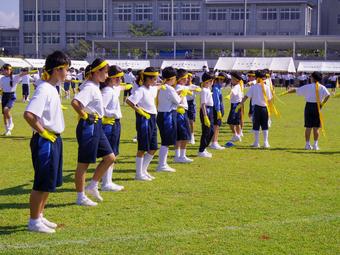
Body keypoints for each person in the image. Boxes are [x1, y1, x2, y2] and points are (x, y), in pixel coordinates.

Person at [24, 50, 70, 233]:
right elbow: (29, 114)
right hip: (46, 141)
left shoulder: (52, 88)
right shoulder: (43, 89)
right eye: (66, 69)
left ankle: (40, 216)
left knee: (49, 181)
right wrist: (44, 133)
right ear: (57, 70)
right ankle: (33, 220)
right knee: (42, 181)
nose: (68, 73)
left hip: (53, 138)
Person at [71, 58, 116, 206]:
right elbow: (75, 103)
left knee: (110, 157)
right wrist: (85, 115)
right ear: (96, 72)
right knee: (83, 163)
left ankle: (92, 185)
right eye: (105, 72)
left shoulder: (95, 85)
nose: (107, 75)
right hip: (88, 126)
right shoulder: (90, 87)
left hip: (97, 125)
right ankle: (80, 196)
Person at [100, 65, 132, 191]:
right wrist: (107, 117)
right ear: (111, 78)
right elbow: (100, 108)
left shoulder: (114, 88)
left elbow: (122, 87)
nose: (120, 80)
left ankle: (107, 181)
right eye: (118, 77)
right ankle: (106, 183)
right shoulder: (107, 91)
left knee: (113, 153)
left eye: (121, 77)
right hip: (109, 123)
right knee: (110, 154)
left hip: (115, 123)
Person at [126, 67, 159, 181]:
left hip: (153, 118)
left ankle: (143, 170)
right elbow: (129, 101)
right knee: (143, 147)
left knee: (153, 147)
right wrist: (139, 110)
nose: (156, 81)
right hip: (144, 118)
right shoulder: (141, 90)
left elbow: (158, 88)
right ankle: (138, 174)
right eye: (154, 79)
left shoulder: (151, 88)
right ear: (148, 79)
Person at [284, 71, 330, 150]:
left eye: (311, 77)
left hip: (309, 106)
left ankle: (307, 144)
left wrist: (286, 92)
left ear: (313, 78)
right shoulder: (322, 87)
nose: (310, 78)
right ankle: (315, 145)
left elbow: (296, 90)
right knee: (316, 127)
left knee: (308, 127)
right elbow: (328, 95)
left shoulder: (308, 86)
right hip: (317, 106)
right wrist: (322, 103)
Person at [156, 67, 185, 172]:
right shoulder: (169, 88)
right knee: (166, 141)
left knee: (166, 141)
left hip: (162, 114)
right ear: (172, 78)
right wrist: (183, 94)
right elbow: (177, 101)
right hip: (167, 115)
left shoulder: (162, 87)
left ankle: (163, 164)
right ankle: (161, 165)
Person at [237, 70, 273, 148]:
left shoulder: (254, 87)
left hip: (256, 109)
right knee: (265, 125)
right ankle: (266, 142)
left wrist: (240, 104)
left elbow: (246, 96)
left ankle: (256, 143)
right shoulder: (267, 87)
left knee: (256, 126)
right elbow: (270, 100)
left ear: (256, 78)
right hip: (265, 109)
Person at [174, 69, 194, 163]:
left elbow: (190, 88)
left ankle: (177, 156)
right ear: (181, 79)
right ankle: (182, 156)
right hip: (181, 112)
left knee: (179, 136)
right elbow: (177, 98)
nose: (187, 80)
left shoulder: (180, 86)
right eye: (185, 78)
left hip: (180, 112)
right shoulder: (179, 87)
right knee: (185, 135)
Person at [0, 64, 26, 136]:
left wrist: (25, 73)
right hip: (4, 95)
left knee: (6, 110)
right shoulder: (2, 78)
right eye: (4, 70)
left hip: (11, 96)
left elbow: (21, 75)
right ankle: (7, 130)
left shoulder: (14, 77)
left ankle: (11, 123)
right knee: (4, 115)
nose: (5, 71)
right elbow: (0, 88)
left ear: (10, 70)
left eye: (7, 69)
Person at [198, 72, 215, 158]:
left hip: (210, 110)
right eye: (211, 80)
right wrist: (205, 116)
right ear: (207, 81)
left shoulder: (208, 89)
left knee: (211, 131)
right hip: (206, 111)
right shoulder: (204, 90)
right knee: (206, 131)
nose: (212, 82)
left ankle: (204, 148)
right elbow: (203, 104)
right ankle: (201, 150)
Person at [225, 72, 244, 146]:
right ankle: (238, 135)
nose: (231, 80)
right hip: (238, 104)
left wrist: (229, 96)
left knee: (230, 121)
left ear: (236, 80)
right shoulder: (239, 85)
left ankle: (235, 135)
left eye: (232, 79)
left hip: (235, 105)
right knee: (237, 122)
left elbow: (232, 92)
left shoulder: (236, 86)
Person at [210, 72, 226, 150]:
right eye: (221, 79)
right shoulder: (216, 88)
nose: (223, 82)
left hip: (218, 109)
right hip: (216, 110)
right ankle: (214, 142)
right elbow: (217, 101)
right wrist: (218, 110)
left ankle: (214, 142)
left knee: (216, 126)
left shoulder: (217, 88)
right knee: (216, 126)